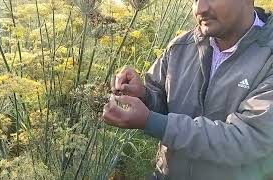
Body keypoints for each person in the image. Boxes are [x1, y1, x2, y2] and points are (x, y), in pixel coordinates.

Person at [102, 0, 273, 179]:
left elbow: (246, 140)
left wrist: (151, 122)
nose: (200, 9)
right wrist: (144, 96)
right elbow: (163, 103)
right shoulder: (181, 46)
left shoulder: (268, 58)